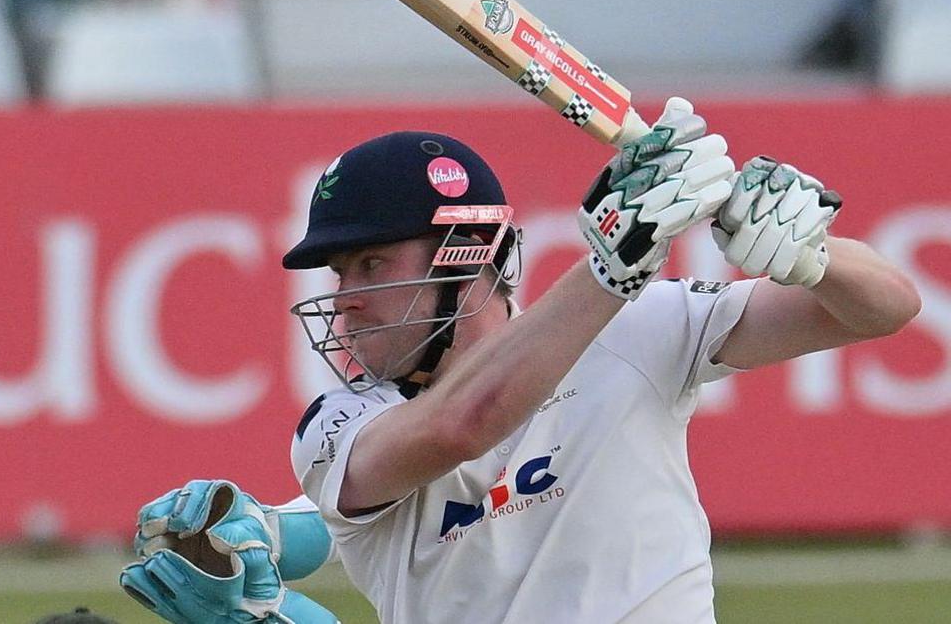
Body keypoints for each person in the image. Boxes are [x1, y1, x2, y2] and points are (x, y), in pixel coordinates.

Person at [119, 98, 921, 623]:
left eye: (369, 265)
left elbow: (888, 307)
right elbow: (465, 424)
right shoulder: (340, 426)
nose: (346, 296)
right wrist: (611, 268)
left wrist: (808, 252)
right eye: (339, 273)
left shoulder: (642, 329)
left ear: (465, 254)